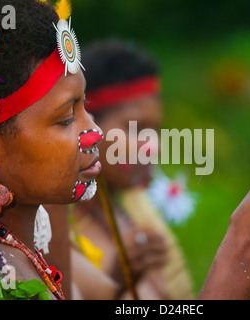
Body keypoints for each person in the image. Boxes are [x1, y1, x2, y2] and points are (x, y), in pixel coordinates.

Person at [0, 0, 250, 300]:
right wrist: (244, 254)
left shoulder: (23, 240)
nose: (94, 133)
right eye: (65, 118)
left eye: (84, 106)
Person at [69, 40, 194, 300]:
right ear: (86, 124)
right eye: (135, 129)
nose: (153, 147)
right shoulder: (55, 229)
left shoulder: (135, 211)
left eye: (156, 131)